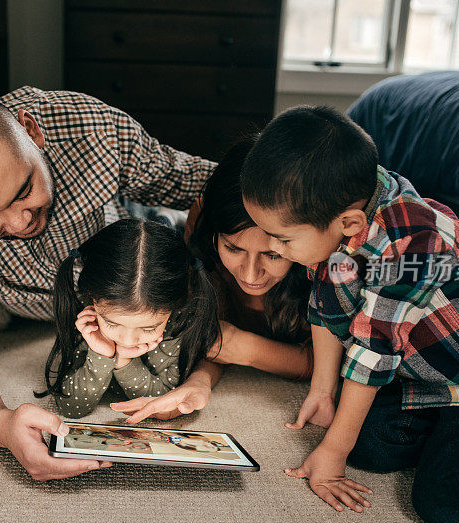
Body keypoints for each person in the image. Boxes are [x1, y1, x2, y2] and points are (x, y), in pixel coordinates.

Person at [0, 85, 221, 481]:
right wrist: (2, 425)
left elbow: (195, 181)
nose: (18, 223)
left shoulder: (94, 131)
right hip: (26, 303)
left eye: (23, 191)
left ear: (32, 132)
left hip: (125, 274)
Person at [240, 105, 459, 523]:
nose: (276, 248)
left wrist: (332, 455)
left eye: (282, 239)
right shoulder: (339, 208)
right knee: (370, 448)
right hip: (431, 379)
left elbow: (373, 352)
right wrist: (323, 389)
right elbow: (325, 304)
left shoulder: (419, 242)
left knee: (448, 500)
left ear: (348, 222)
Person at [111, 137, 314, 424]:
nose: (250, 274)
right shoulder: (204, 233)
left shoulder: (324, 257)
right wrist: (197, 382)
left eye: (273, 254)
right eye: (233, 248)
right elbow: (212, 336)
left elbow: (331, 367)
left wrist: (245, 347)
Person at [35, 218, 219, 418]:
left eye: (149, 328)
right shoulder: (86, 320)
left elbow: (160, 403)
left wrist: (125, 362)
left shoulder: (180, 322)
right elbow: (70, 405)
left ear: (174, 309)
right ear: (92, 300)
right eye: (112, 323)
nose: (128, 340)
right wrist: (101, 354)